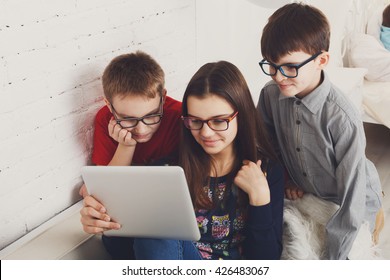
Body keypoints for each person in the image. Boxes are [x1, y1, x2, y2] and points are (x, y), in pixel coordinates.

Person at [257, 3, 384, 260]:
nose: (279, 77)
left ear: (321, 61)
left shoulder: (341, 117)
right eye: (271, 66)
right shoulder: (270, 96)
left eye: (290, 67)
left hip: (352, 197)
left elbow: (352, 197)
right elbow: (267, 146)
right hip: (308, 194)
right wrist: (287, 178)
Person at [133, 61, 285, 260]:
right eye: (195, 121)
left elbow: (266, 263)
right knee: (156, 226)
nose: (205, 132)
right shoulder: (165, 172)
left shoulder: (267, 171)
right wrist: (109, 225)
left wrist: (260, 198)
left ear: (242, 115)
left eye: (219, 121)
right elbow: (128, 253)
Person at [79, 50, 182, 259]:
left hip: (166, 220)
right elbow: (106, 191)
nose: (141, 130)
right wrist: (126, 146)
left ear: (162, 98)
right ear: (109, 105)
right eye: (128, 119)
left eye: (152, 116)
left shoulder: (178, 116)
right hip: (123, 227)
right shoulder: (104, 120)